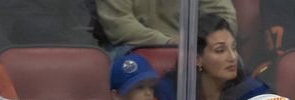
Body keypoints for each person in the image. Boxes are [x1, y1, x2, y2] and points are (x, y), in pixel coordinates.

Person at [150, 14, 270, 100]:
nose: (232, 57)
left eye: (233, 48)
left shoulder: (252, 94)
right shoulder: (171, 93)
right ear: (196, 59)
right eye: (220, 50)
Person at [96, 0, 236, 52]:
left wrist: (198, 40)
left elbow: (224, 17)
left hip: (194, 44)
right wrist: (167, 42)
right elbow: (118, 24)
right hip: (135, 45)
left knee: (224, 56)